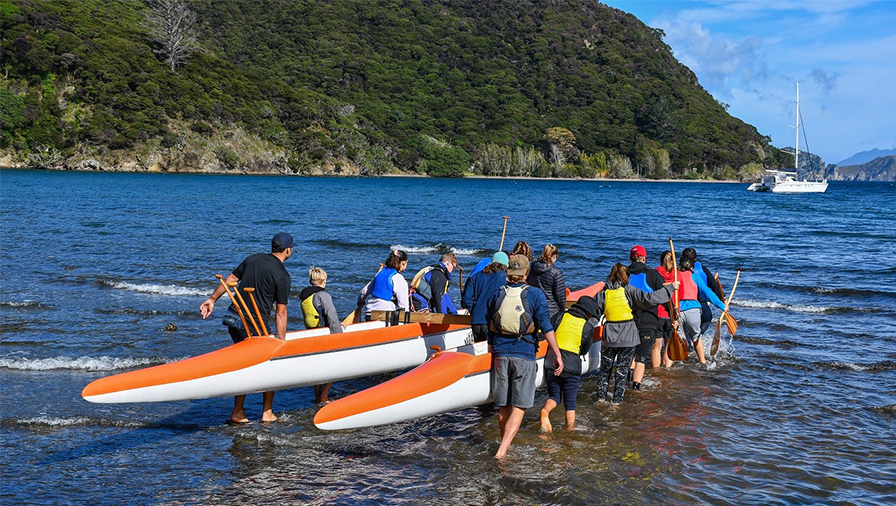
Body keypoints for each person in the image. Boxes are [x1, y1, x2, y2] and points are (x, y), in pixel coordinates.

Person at [199, 232, 293, 423]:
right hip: (253, 324)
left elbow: (230, 281)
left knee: (244, 364)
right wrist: (281, 342)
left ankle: (238, 411)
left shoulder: (253, 259)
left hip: (233, 318)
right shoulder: (283, 276)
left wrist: (212, 299)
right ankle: (266, 412)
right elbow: (280, 313)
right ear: (288, 250)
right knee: (270, 366)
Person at [486, 254, 564, 458]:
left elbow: (490, 325)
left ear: (508, 272)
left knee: (504, 406)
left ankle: (505, 445)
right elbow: (546, 326)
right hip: (525, 353)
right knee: (519, 406)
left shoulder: (497, 293)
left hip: (500, 354)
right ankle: (502, 451)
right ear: (527, 273)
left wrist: (491, 349)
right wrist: (557, 353)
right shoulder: (535, 295)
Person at [595, 263, 677, 404]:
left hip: (609, 337)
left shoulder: (603, 293)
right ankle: (616, 403)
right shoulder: (629, 290)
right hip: (628, 337)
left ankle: (601, 400)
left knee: (604, 371)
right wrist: (670, 288)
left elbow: (594, 313)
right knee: (621, 372)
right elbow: (650, 299)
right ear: (626, 276)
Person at [540, 295, 601, 432]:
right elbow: (585, 350)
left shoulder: (560, 316)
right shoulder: (587, 326)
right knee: (570, 403)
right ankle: (569, 431)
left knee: (555, 396)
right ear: (589, 313)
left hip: (552, 362)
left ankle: (545, 410)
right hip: (571, 366)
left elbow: (548, 331)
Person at [627, 245, 670, 390]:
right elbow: (664, 297)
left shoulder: (623, 274)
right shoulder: (653, 275)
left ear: (630, 258)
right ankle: (635, 387)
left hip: (627, 321)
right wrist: (672, 314)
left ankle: (625, 382)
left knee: (630, 354)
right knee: (641, 358)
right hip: (648, 322)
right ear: (644, 258)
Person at [300, 267, 342, 404]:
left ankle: (318, 396)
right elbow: (332, 316)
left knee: (317, 366)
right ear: (323, 280)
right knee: (333, 367)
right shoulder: (323, 295)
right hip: (324, 333)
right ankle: (324, 396)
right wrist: (340, 336)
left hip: (311, 333)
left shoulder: (305, 296)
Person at [676, 249, 726, 364]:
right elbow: (711, 289)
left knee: (679, 336)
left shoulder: (675, 273)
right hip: (698, 305)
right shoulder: (699, 270)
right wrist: (721, 303)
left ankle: (670, 365)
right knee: (705, 322)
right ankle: (702, 361)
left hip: (678, 308)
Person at [461, 252, 508, 342]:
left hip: (476, 320)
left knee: (479, 351)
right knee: (492, 352)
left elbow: (467, 299)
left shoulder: (476, 276)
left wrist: (474, 310)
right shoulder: (505, 278)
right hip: (493, 322)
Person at [358, 249, 409, 318]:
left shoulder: (379, 275)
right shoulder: (398, 278)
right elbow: (403, 305)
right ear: (403, 263)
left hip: (370, 313)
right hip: (385, 315)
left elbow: (363, 292)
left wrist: (361, 302)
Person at [527, 244, 566, 317]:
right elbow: (560, 295)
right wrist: (562, 310)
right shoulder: (556, 272)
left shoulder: (531, 267)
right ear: (554, 256)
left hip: (533, 307)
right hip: (551, 310)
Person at [655, 250, 677, 367]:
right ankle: (667, 368)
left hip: (658, 313)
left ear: (660, 260)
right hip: (671, 313)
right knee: (668, 345)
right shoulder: (676, 275)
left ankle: (656, 371)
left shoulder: (655, 273)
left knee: (657, 347)